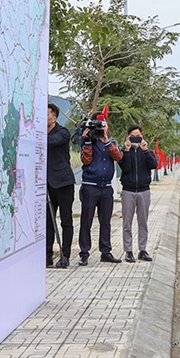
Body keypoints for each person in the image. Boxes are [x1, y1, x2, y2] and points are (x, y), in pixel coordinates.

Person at [78, 113, 124, 265]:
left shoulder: (111, 143)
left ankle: (106, 251)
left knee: (106, 221)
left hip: (106, 188)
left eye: (102, 125)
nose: (100, 128)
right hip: (90, 186)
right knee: (86, 220)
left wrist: (106, 142)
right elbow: (86, 160)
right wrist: (87, 141)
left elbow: (118, 157)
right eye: (97, 125)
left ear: (106, 126)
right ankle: (84, 253)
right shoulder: (87, 142)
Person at [118, 125, 159, 263]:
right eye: (133, 136)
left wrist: (146, 150)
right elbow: (125, 167)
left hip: (144, 190)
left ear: (142, 136)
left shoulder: (147, 151)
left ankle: (142, 250)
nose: (136, 138)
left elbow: (154, 164)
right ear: (128, 137)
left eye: (138, 136)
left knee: (143, 222)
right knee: (127, 223)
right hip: (128, 190)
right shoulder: (124, 152)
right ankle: (128, 251)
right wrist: (127, 150)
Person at [46, 102, 75, 268]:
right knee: (48, 222)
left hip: (63, 183)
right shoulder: (42, 132)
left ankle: (65, 256)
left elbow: (53, 141)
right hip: (47, 185)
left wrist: (34, 134)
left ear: (54, 117)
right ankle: (47, 256)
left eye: (47, 114)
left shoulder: (63, 132)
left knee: (66, 221)